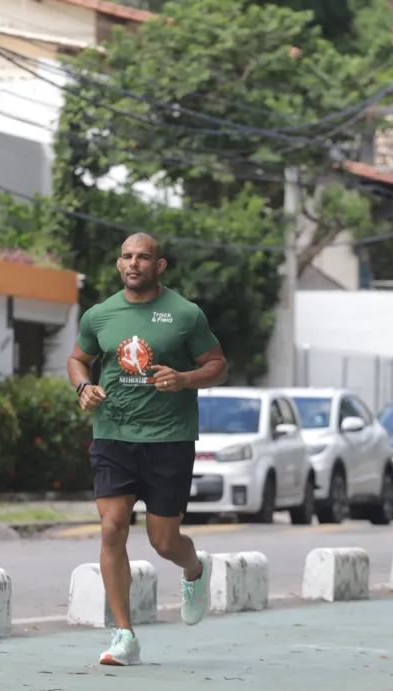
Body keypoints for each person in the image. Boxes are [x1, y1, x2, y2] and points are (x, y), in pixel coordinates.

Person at [67, 233, 229, 667]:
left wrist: (184, 379)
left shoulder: (185, 314)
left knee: (162, 540)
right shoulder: (99, 315)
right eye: (127, 257)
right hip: (113, 435)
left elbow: (217, 364)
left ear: (160, 266)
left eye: (143, 257)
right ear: (119, 264)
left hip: (169, 439)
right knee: (112, 526)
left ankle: (194, 570)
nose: (133, 263)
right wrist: (83, 385)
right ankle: (125, 635)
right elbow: (77, 358)